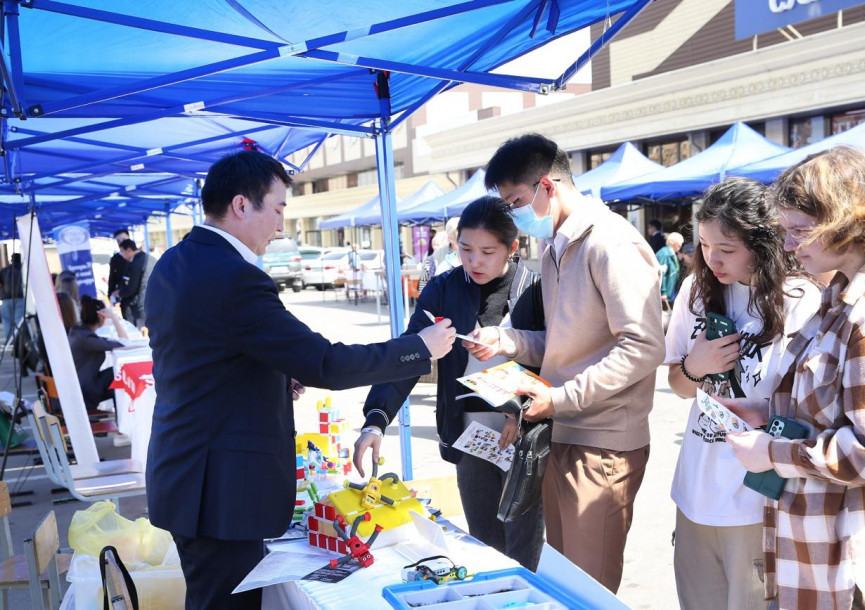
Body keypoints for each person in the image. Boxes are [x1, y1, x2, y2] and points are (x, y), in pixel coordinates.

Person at [144, 150, 456, 610]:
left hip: (187, 473)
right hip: (220, 491)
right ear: (241, 206)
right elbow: (325, 363)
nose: (281, 224)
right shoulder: (235, 278)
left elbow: (203, 358)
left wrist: (270, 374)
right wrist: (419, 348)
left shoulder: (175, 262)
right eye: (278, 208)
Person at [465, 133, 666, 592]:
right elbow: (565, 343)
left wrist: (560, 397)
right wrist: (507, 340)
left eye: (516, 201)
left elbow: (643, 346)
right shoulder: (556, 245)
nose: (513, 215)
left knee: (588, 587)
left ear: (547, 187)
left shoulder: (610, 244)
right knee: (563, 582)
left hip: (602, 442)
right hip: (561, 430)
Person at [725, 146, 865, 609]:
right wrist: (769, 412)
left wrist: (772, 452)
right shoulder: (843, 292)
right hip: (820, 551)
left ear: (845, 222)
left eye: (800, 231)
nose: (787, 245)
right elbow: (839, 406)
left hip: (848, 565)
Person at [354, 196, 546, 570]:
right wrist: (376, 419)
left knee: (524, 547)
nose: (474, 261)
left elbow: (554, 358)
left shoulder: (533, 290)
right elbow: (408, 355)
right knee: (482, 543)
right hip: (469, 433)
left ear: (513, 248)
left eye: (488, 251)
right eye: (465, 249)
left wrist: (519, 410)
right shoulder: (443, 289)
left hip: (524, 437)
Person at [664, 177, 819, 610]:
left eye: (726, 249)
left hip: (757, 498)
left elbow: (809, 405)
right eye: (705, 246)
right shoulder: (695, 291)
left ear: (762, 243)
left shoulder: (800, 299)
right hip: (695, 490)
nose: (712, 259)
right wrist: (695, 367)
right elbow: (677, 386)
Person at [69, 296, 128, 411]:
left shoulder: (77, 331)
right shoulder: (87, 339)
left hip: (78, 386)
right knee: (121, 375)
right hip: (85, 392)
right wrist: (115, 319)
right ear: (101, 316)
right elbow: (125, 344)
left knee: (117, 374)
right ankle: (124, 422)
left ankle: (122, 421)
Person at [118, 239, 156, 328]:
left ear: (129, 250)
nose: (122, 255)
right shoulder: (151, 259)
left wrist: (120, 293)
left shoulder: (135, 264)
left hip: (142, 305)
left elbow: (132, 288)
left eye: (122, 252)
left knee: (143, 333)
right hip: (155, 302)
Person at [0, 253, 25, 343]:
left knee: (7, 321)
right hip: (20, 298)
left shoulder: (4, 270)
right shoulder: (24, 269)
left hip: (5, 300)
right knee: (19, 321)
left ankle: (9, 341)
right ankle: (18, 341)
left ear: (11, 260)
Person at [656, 231, 684, 303]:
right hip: (666, 294)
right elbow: (661, 273)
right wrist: (663, 292)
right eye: (680, 244)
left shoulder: (671, 253)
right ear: (675, 243)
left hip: (671, 291)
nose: (681, 246)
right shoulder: (665, 254)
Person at [107, 228, 130, 302]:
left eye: (124, 239)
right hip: (124, 299)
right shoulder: (115, 259)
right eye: (118, 241)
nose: (121, 243)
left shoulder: (139, 257)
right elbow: (112, 278)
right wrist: (110, 295)